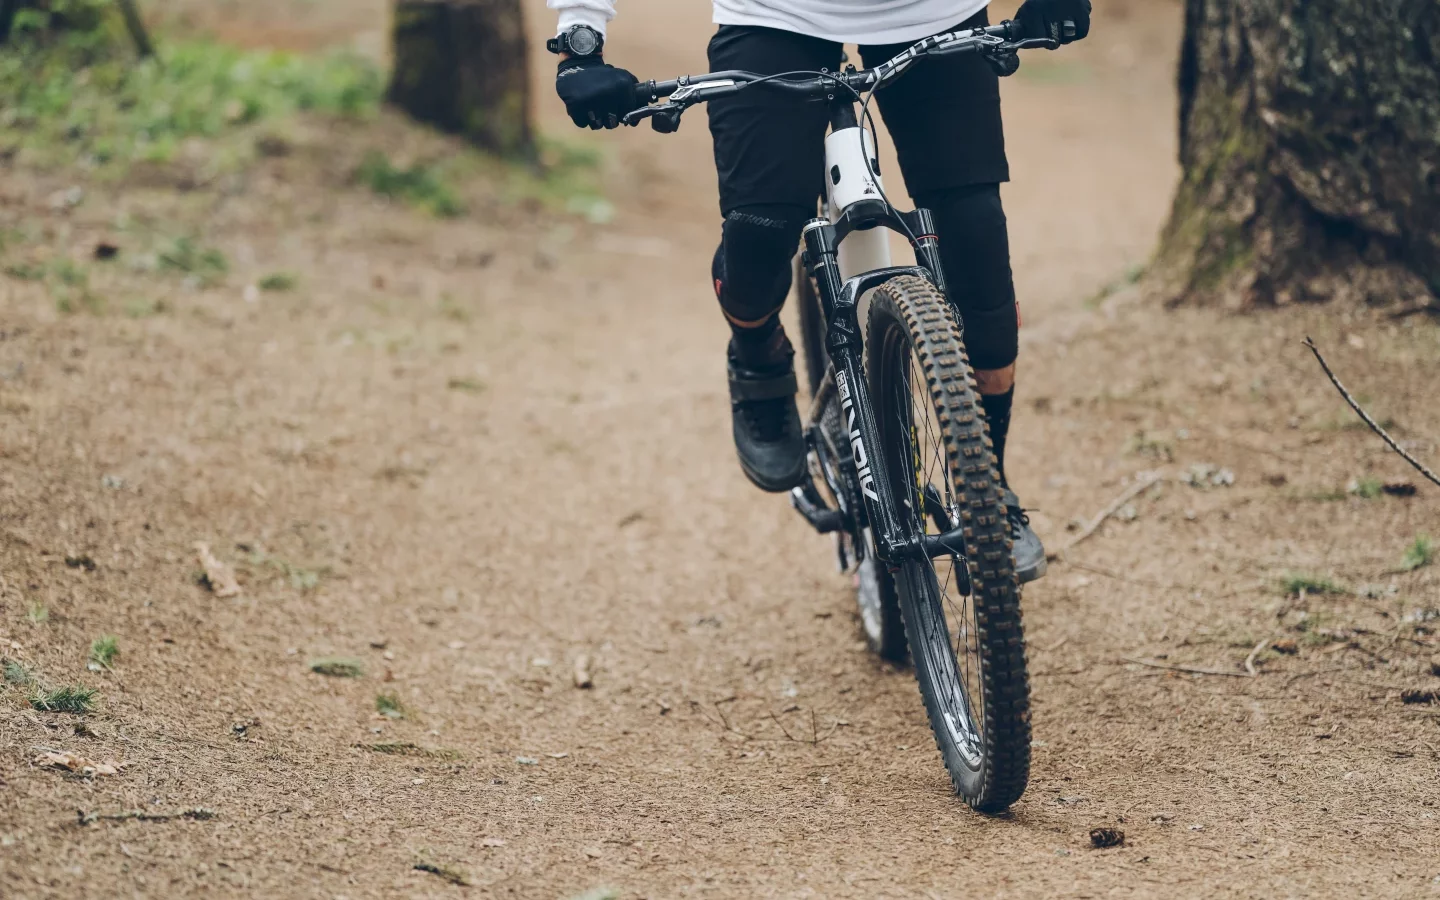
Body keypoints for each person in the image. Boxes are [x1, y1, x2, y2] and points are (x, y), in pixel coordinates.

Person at [546, 0, 1091, 583]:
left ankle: (987, 493)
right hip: (776, 17)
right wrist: (581, 37)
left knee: (978, 242)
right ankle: (758, 357)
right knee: (758, 235)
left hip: (935, 12)